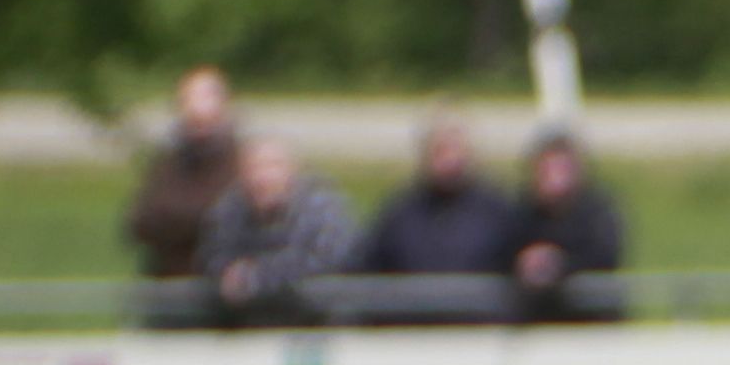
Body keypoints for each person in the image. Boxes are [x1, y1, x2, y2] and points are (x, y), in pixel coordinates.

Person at [350, 114, 522, 312]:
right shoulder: (399, 214)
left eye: (455, 150)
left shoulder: (497, 213)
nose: (449, 160)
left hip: (481, 326)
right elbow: (367, 271)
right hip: (413, 325)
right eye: (440, 151)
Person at [196, 134, 357, 322]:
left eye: (274, 166)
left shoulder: (323, 210)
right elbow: (212, 258)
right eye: (254, 168)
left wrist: (256, 277)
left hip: (317, 323)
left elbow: (321, 262)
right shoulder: (228, 210)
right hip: (246, 325)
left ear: (293, 170)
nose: (263, 177)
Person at [121, 67, 240, 283]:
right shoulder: (166, 163)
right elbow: (139, 224)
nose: (197, 109)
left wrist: (177, 219)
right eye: (188, 101)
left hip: (222, 289)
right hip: (168, 283)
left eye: (206, 98)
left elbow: (232, 224)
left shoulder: (242, 163)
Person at [508, 131, 629, 323]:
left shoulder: (597, 212)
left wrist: (559, 264)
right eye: (548, 171)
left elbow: (605, 256)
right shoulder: (521, 212)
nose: (556, 180)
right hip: (535, 321)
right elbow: (500, 250)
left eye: (562, 170)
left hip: (591, 322)